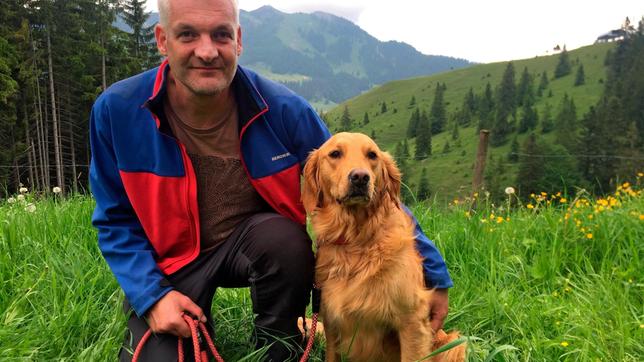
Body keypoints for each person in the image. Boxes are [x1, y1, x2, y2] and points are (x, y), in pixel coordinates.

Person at [88, 0, 453, 360]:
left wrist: (434, 274)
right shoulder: (116, 111)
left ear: (239, 40)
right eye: (187, 35)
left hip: (255, 246)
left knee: (286, 239)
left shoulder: (285, 110)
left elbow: (356, 181)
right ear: (163, 40)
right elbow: (115, 220)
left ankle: (278, 346)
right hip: (170, 264)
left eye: (221, 35)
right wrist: (151, 296)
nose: (207, 51)